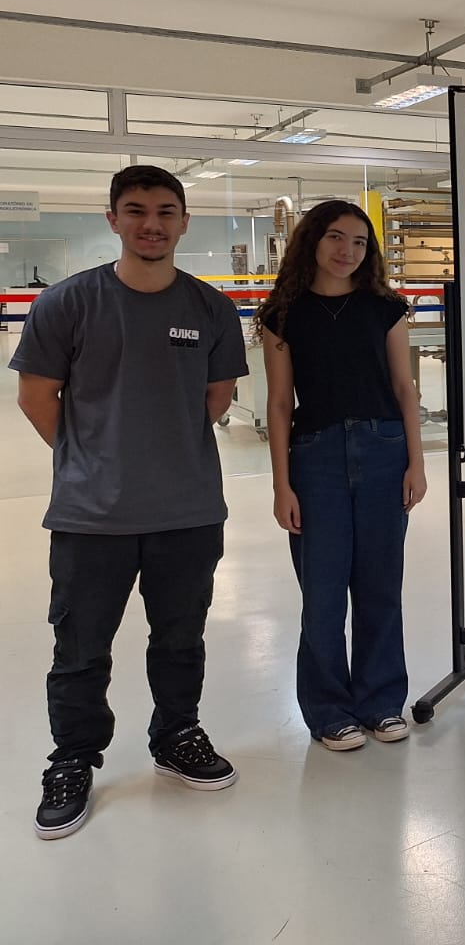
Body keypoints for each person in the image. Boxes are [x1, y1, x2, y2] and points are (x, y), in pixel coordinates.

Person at [12, 165, 248, 840]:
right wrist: (92, 457)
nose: (152, 223)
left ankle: (177, 735)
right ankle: (72, 759)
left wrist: (161, 451)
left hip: (188, 512)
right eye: (137, 210)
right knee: (80, 648)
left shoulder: (209, 308)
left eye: (166, 211)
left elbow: (217, 397)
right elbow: (36, 396)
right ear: (113, 219)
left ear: (184, 222)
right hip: (92, 517)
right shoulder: (68, 303)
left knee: (180, 640)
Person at [256, 200, 425, 752]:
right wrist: (281, 485)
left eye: (358, 242)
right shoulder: (283, 314)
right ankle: (329, 710)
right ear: (312, 240)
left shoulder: (385, 308)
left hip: (384, 451)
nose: (346, 250)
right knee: (323, 594)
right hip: (316, 457)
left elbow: (404, 388)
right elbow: (279, 403)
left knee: (380, 588)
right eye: (335, 237)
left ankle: (381, 702)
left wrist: (416, 461)